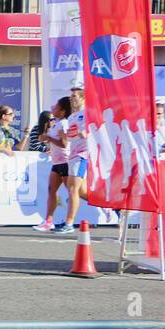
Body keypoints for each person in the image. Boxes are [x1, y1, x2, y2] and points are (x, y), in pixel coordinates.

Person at [54, 86, 90, 234]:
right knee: (82, 191)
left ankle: (69, 223)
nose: (71, 99)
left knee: (73, 188)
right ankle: (111, 206)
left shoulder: (88, 114)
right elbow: (69, 138)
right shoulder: (71, 117)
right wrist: (64, 135)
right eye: (70, 97)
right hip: (73, 154)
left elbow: (91, 131)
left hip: (83, 154)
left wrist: (85, 133)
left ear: (82, 98)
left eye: (74, 97)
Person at [34, 97, 72, 232]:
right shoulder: (56, 123)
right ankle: (48, 221)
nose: (53, 108)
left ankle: (105, 208)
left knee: (77, 192)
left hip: (66, 162)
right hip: (56, 162)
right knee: (52, 191)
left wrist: (49, 138)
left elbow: (64, 144)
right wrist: (45, 138)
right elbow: (47, 139)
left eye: (56, 107)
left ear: (62, 111)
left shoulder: (65, 123)